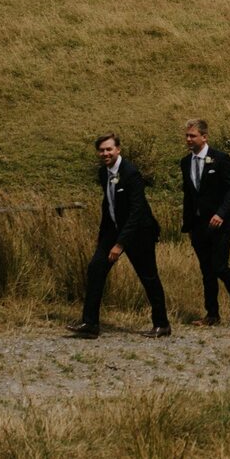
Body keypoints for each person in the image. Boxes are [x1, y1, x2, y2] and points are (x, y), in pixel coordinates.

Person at [68, 133, 169, 338]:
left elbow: (137, 211)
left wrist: (120, 244)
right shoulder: (103, 173)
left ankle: (162, 324)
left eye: (109, 149)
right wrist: (103, 238)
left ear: (118, 150)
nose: (105, 153)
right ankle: (90, 323)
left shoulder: (131, 173)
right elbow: (108, 205)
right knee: (96, 268)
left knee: (148, 276)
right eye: (102, 150)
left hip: (138, 232)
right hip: (114, 230)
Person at [180, 119, 230, 327]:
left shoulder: (220, 159)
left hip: (220, 223)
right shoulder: (186, 162)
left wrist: (221, 213)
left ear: (204, 137)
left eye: (193, 135)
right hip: (198, 225)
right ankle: (212, 314)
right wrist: (188, 225)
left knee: (219, 266)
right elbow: (188, 196)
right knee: (206, 270)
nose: (189, 139)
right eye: (187, 136)